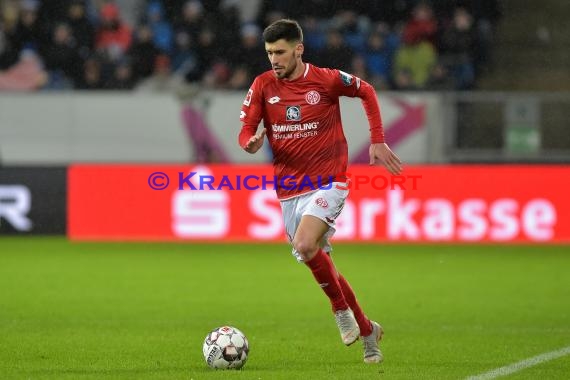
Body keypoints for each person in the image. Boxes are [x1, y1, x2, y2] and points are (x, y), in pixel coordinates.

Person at [237, 19, 402, 364]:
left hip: (329, 181)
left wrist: (377, 140)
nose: (274, 59)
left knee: (305, 244)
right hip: (289, 189)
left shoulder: (326, 79)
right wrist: (250, 144)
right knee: (319, 259)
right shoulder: (263, 85)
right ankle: (368, 329)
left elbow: (366, 91)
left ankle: (340, 310)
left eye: (280, 52)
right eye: (269, 53)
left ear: (298, 49)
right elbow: (246, 131)